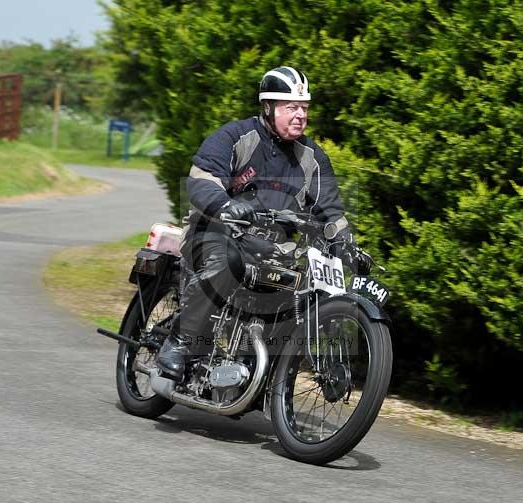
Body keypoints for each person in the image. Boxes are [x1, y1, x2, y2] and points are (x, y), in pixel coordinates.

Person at [156, 65, 370, 381]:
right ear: (268, 108)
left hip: (271, 250)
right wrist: (227, 205)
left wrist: (347, 245)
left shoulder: (313, 158)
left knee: (300, 290)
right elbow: (202, 179)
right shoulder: (235, 137)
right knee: (226, 261)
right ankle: (181, 340)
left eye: (304, 108)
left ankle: (261, 370)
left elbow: (331, 212)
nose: (300, 115)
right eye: (291, 107)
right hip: (215, 233)